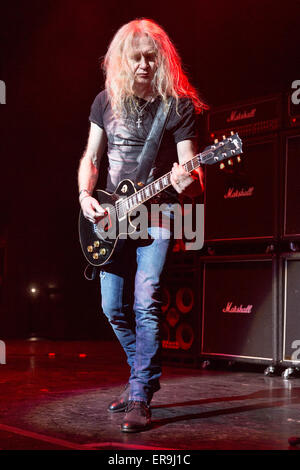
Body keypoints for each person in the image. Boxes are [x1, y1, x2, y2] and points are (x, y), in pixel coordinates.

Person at [77, 18, 206, 433]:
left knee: (145, 298)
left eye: (152, 58)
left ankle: (139, 395)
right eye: (136, 58)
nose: (145, 66)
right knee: (111, 306)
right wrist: (85, 198)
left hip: (159, 213)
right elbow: (91, 159)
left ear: (162, 61)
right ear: (121, 61)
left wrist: (188, 177)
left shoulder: (178, 105)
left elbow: (189, 171)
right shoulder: (104, 101)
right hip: (113, 216)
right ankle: (142, 376)